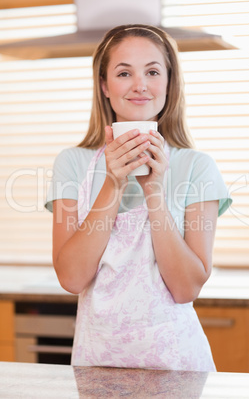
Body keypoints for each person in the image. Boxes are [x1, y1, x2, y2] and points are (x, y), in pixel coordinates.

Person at [45, 24, 232, 371]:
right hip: (98, 369)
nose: (140, 85)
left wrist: (154, 190)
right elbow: (71, 278)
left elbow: (186, 288)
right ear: (104, 85)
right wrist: (112, 184)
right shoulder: (72, 164)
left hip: (177, 370)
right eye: (123, 72)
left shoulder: (197, 167)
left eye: (152, 71)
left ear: (169, 82)